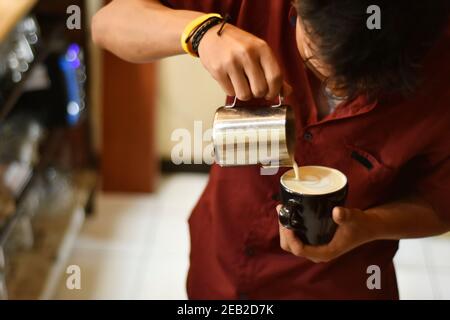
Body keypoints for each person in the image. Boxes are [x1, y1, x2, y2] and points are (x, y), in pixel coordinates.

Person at [92, 0, 450, 299]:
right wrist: (198, 33)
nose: (336, 91)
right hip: (219, 269)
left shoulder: (438, 69)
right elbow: (108, 23)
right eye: (314, 63)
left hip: (335, 288)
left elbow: (441, 203)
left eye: (362, 85)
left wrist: (369, 226)